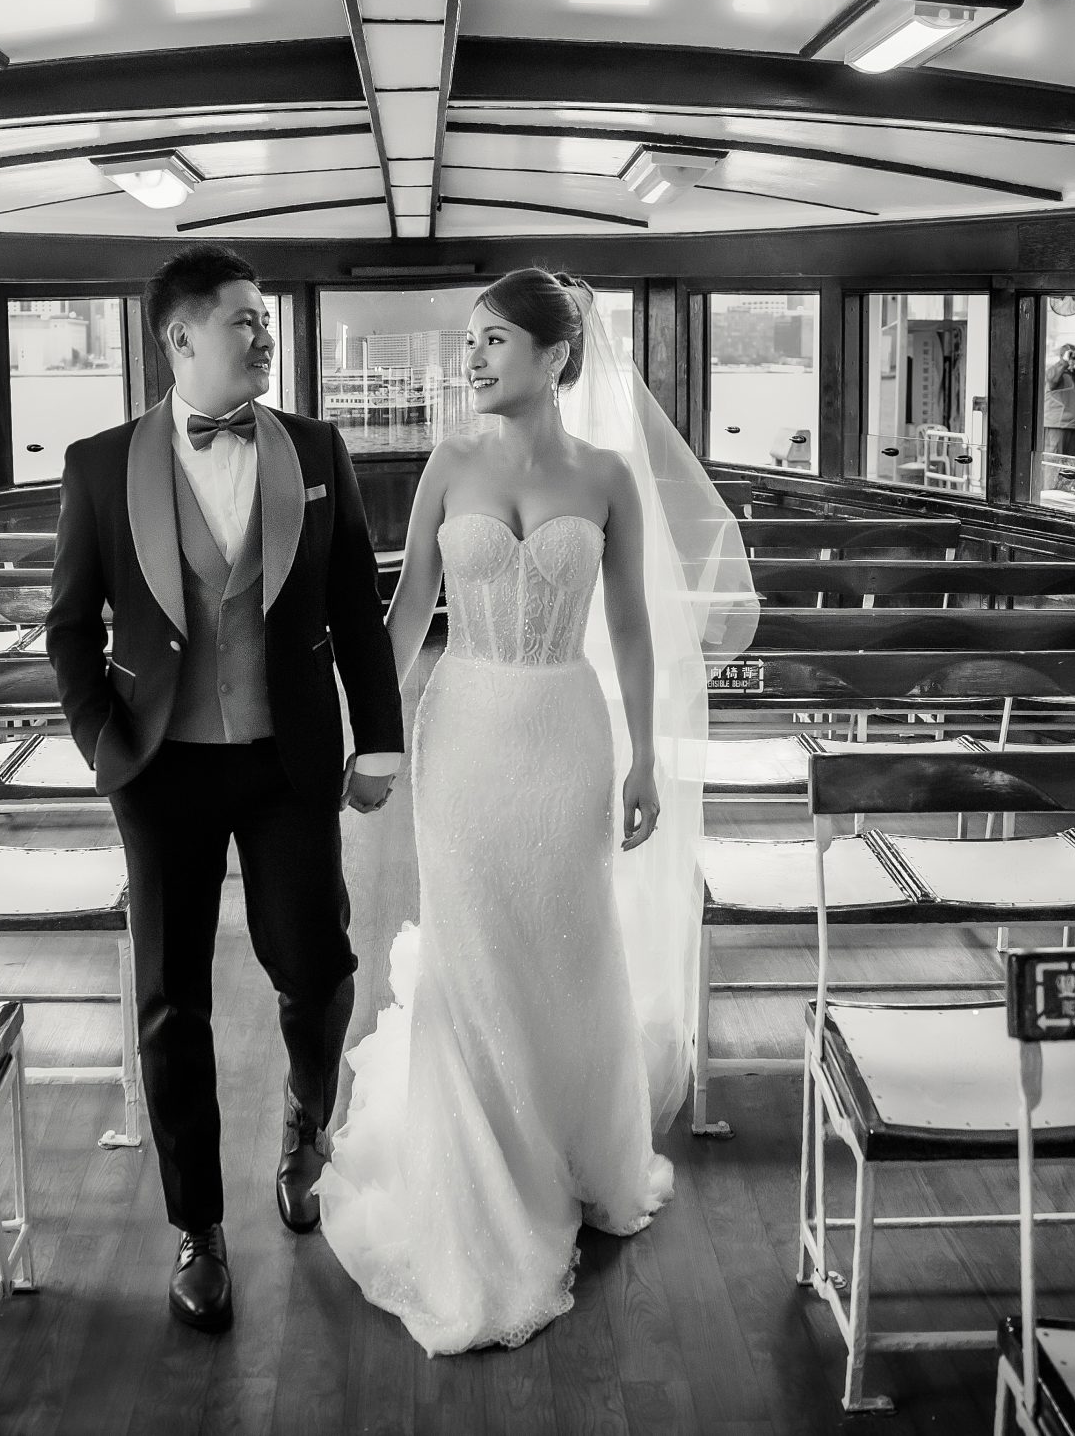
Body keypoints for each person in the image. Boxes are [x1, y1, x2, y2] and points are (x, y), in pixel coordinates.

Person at [319, 269, 755, 1355]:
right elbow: (408, 609)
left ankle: (562, 1143)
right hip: (464, 730)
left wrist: (647, 759)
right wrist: (368, 735)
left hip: (566, 731)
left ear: (556, 355)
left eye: (495, 339)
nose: (471, 357)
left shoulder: (605, 475)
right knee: (471, 944)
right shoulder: (448, 462)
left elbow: (637, 626)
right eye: (470, 340)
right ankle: (473, 1179)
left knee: (562, 941)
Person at [45, 244, 405, 1335]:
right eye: (244, 319)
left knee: (317, 964)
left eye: (265, 318)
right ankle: (197, 1227)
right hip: (159, 769)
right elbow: (69, 627)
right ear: (180, 337)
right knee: (170, 999)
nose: (263, 334)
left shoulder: (316, 449)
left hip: (288, 760)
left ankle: (306, 1120)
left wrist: (379, 741)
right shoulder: (99, 465)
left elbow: (355, 605)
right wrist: (102, 744)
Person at [1042, 347, 1075, 494]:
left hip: (1072, 425)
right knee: (1054, 461)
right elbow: (1051, 379)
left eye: (1074, 355)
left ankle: (1064, 491)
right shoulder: (1058, 371)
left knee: (1069, 463)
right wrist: (1064, 362)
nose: (1073, 358)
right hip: (1057, 424)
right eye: (1070, 355)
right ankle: (1050, 491)